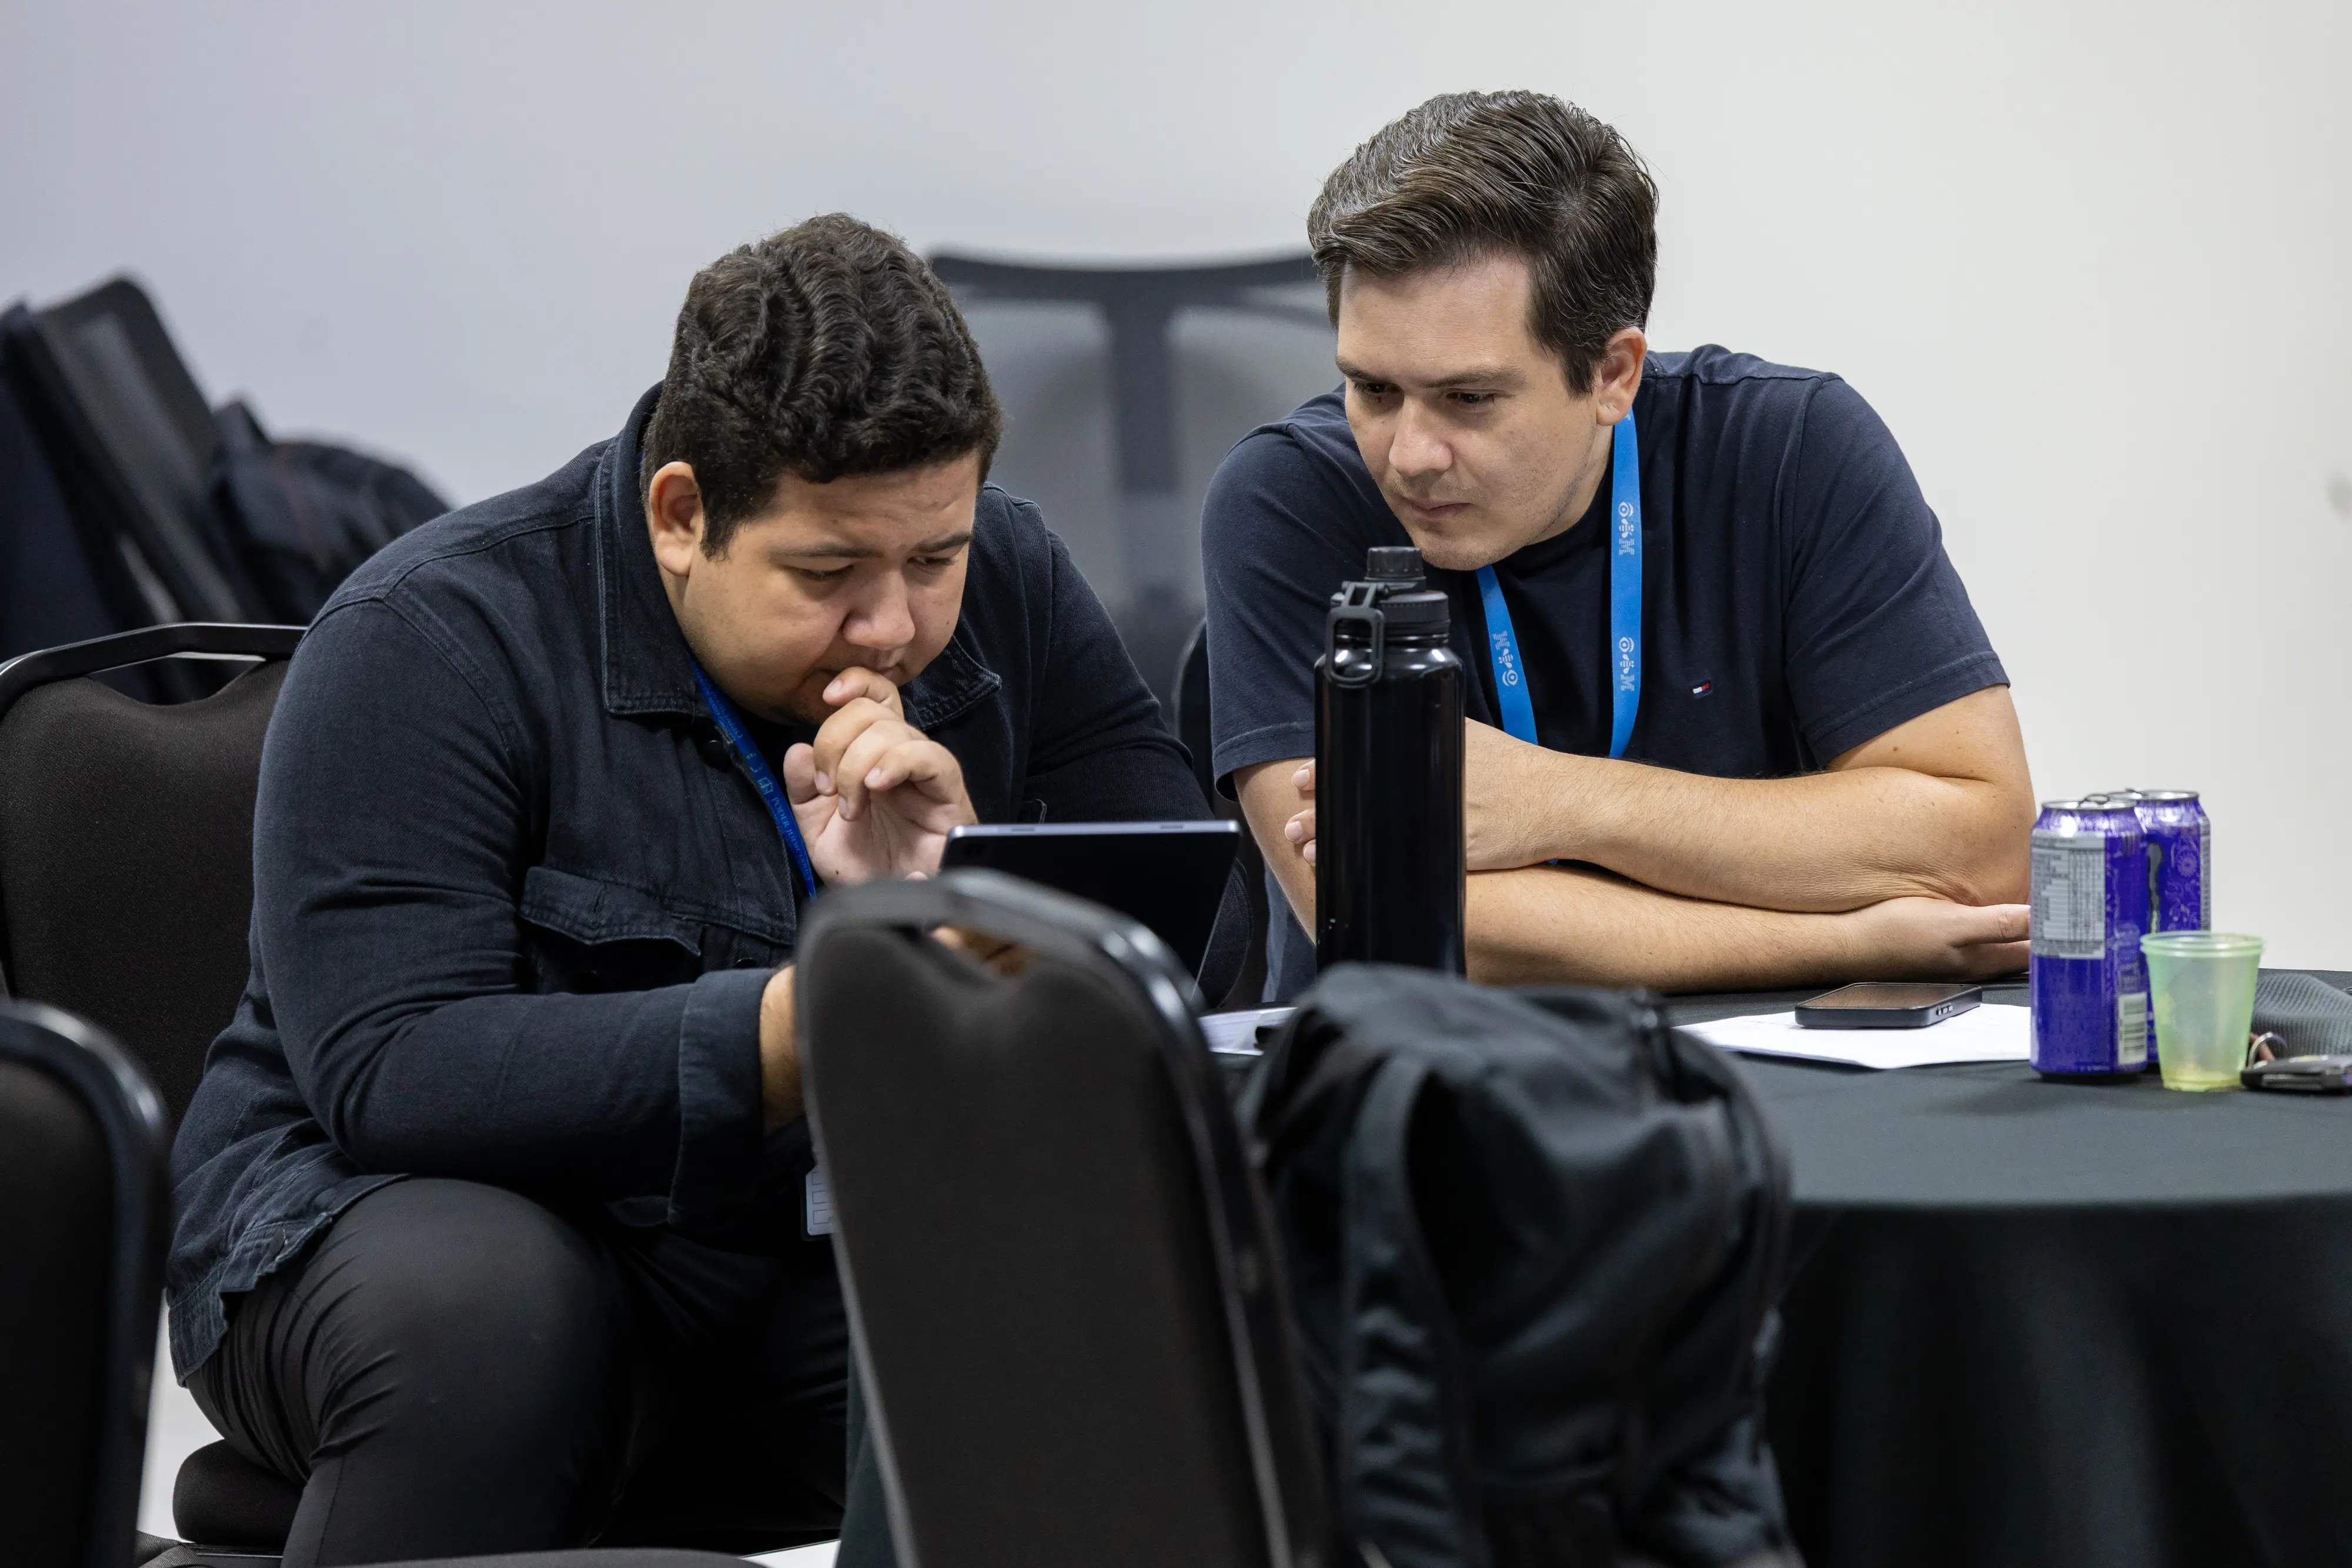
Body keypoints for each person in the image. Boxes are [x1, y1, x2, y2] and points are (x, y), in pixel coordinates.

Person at [168, 213, 1235, 1567]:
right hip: (382, 1218)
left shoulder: (1011, 569)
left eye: (931, 560)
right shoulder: (428, 634)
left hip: (789, 1230)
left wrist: (990, 890)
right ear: (682, 517)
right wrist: (833, 1014)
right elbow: (395, 1069)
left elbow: (1184, 923)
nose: (894, 624)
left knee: (1072, 1328)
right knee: (492, 1323)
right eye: (827, 574)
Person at [1202, 90, 2036, 1000]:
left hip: (1774, 1090)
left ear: (1611, 374)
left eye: (1470, 399)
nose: (1409, 455)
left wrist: (1557, 801)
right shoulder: (1286, 495)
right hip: (1420, 1090)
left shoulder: (1793, 447)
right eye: (1372, 389)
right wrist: (1854, 941)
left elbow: (1984, 846)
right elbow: (1378, 917)